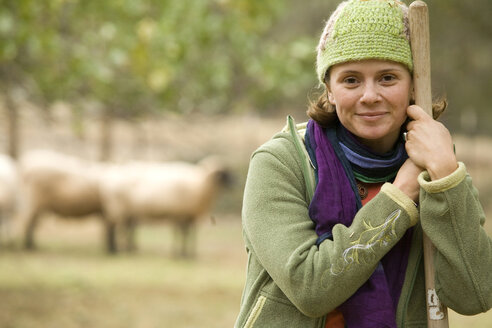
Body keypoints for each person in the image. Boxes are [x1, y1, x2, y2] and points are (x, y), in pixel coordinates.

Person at [234, 0, 492, 327]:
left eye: (387, 77)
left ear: (413, 85)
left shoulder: (437, 168)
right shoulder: (281, 162)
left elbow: (476, 295)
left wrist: (444, 179)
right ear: (328, 89)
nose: (369, 95)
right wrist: (399, 198)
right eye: (351, 80)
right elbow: (310, 289)